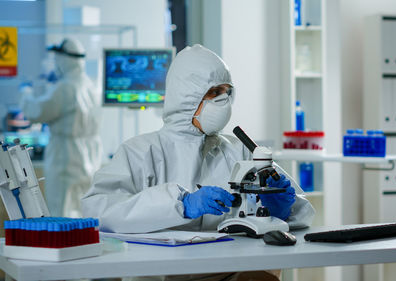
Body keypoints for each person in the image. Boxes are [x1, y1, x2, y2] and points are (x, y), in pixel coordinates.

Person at [82, 44, 314, 281]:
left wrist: (281, 210)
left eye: (227, 91)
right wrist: (180, 204)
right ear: (186, 97)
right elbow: (98, 210)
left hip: (231, 273)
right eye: (214, 93)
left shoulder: (239, 150)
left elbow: (302, 212)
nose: (224, 100)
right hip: (162, 276)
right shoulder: (141, 152)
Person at [20, 38, 102, 217]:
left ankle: (63, 245)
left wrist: (25, 92)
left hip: (65, 156)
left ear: (66, 60)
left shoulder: (66, 87)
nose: (55, 63)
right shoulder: (90, 85)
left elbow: (36, 112)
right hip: (89, 157)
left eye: (57, 59)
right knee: (84, 212)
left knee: (61, 209)